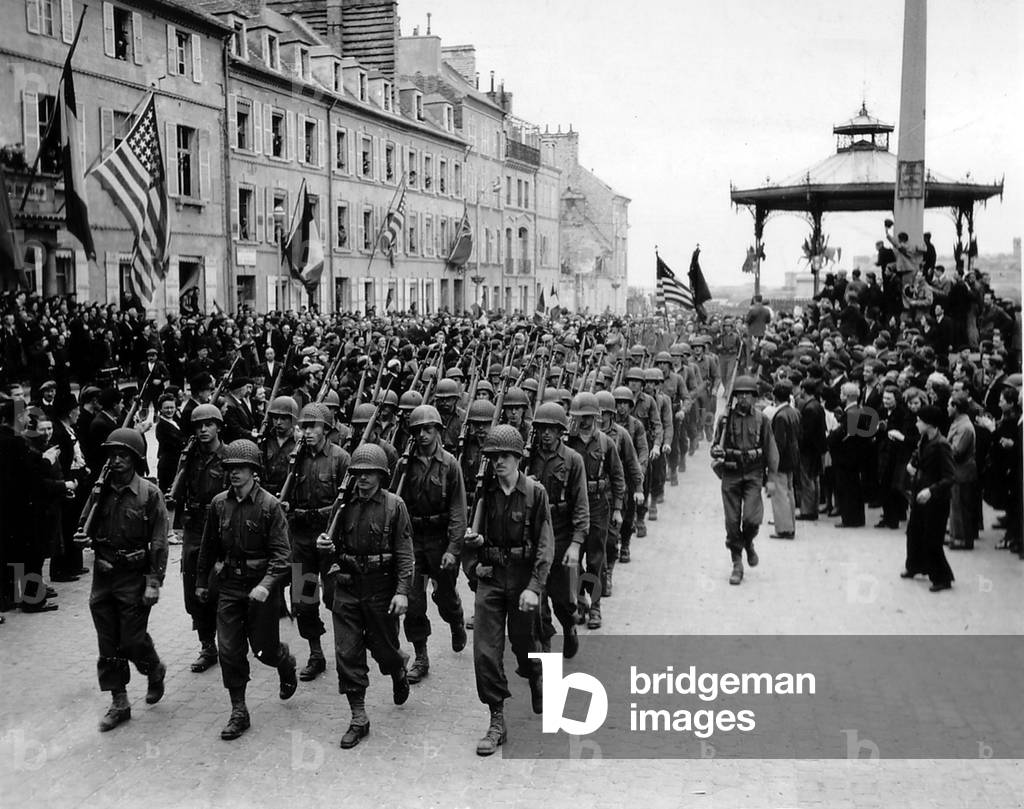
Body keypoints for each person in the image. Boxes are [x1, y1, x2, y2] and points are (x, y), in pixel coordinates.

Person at [195, 439, 298, 740]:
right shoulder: (218, 504)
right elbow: (207, 548)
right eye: (230, 468)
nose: (235, 473)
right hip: (230, 586)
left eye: (241, 468)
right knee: (228, 649)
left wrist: (267, 586)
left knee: (264, 650)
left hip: (261, 588)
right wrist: (202, 582)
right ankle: (239, 709)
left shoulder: (270, 506)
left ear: (254, 471)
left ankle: (284, 661)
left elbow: (283, 556)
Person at [315, 443, 414, 749]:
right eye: (358, 474)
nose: (363, 480)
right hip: (347, 585)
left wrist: (402, 592)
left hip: (381, 588)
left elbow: (404, 553)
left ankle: (397, 668)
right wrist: (325, 552)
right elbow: (328, 548)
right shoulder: (343, 505)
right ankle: (359, 716)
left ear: (381, 476)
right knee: (347, 652)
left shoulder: (395, 506)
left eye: (370, 474)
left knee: (384, 649)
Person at [463, 425, 553, 757]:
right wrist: (473, 565)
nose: (498, 462)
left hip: (522, 579)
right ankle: (496, 720)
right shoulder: (483, 493)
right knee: (485, 651)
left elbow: (546, 544)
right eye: (493, 457)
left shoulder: (534, 493)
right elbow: (468, 540)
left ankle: (536, 674)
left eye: (504, 456)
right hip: (491, 578)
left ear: (517, 458)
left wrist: (534, 587)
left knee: (525, 644)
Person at [79, 428, 169, 732]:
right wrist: (81, 536)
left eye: (123, 455)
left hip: (134, 576)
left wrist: (153, 582)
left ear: (135, 459)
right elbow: (84, 525)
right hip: (104, 575)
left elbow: (159, 542)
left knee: (131, 640)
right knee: (108, 643)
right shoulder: (99, 490)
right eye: (112, 455)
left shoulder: (149, 494)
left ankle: (153, 668)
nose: (116, 461)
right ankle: (119, 701)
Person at [400, 404, 468, 685]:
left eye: (429, 429)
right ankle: (421, 656)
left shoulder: (450, 463)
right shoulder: (405, 464)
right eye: (418, 431)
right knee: (413, 599)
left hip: (440, 539)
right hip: (414, 538)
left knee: (444, 596)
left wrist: (453, 549)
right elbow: (396, 501)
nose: (424, 435)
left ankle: (455, 620)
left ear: (438, 431)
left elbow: (458, 509)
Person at [283, 402, 350, 681]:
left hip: (330, 540)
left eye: (313, 426)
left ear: (326, 428)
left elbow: (346, 503)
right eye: (304, 426)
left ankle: (347, 652)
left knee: (337, 597)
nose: (307, 431)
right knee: (304, 600)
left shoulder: (340, 458)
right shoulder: (294, 459)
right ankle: (316, 653)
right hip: (302, 538)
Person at [528, 401, 588, 657]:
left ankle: (569, 627)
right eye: (542, 428)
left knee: (564, 601)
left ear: (561, 431)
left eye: (552, 429)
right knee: (537, 600)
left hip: (562, 536)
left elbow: (581, 505)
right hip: (535, 535)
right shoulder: (527, 457)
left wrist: (576, 544)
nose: (546, 434)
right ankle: (544, 650)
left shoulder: (573, 460)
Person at [710, 375, 779, 585]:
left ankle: (748, 542)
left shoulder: (762, 419)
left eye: (748, 394)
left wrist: (772, 479)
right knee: (732, 523)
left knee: (751, 519)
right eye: (740, 394)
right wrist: (717, 450)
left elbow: (771, 450)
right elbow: (714, 448)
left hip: (753, 473)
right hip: (730, 473)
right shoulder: (725, 418)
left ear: (754, 397)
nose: (744, 398)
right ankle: (737, 564)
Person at [566, 392, 624, 629]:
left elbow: (618, 476)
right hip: (574, 506)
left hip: (599, 505)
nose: (586, 421)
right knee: (574, 560)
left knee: (596, 559)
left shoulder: (605, 443)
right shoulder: (568, 442)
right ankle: (580, 602)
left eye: (589, 416)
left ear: (597, 417)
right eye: (581, 417)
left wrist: (618, 509)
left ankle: (596, 606)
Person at [179, 403, 229, 673]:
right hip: (195, 528)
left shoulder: (230, 455)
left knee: (220, 585)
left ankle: (231, 641)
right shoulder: (190, 456)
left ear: (218, 426)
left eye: (208, 424)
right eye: (198, 426)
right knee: (193, 586)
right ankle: (207, 645)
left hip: (222, 527)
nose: (203, 430)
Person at [902, 405, 956, 591]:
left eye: (919, 421)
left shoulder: (941, 444)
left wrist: (931, 491)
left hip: (935, 499)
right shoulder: (923, 439)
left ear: (929, 424)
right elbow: (917, 456)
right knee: (914, 532)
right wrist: (911, 464)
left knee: (932, 538)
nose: (916, 423)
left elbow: (950, 476)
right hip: (919, 493)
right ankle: (914, 566)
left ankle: (942, 577)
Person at [768, 382, 801, 540]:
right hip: (792, 458)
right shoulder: (793, 412)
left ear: (774, 397)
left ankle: (783, 529)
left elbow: (778, 443)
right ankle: (790, 525)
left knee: (779, 494)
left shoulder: (780, 416)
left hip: (781, 461)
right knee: (789, 493)